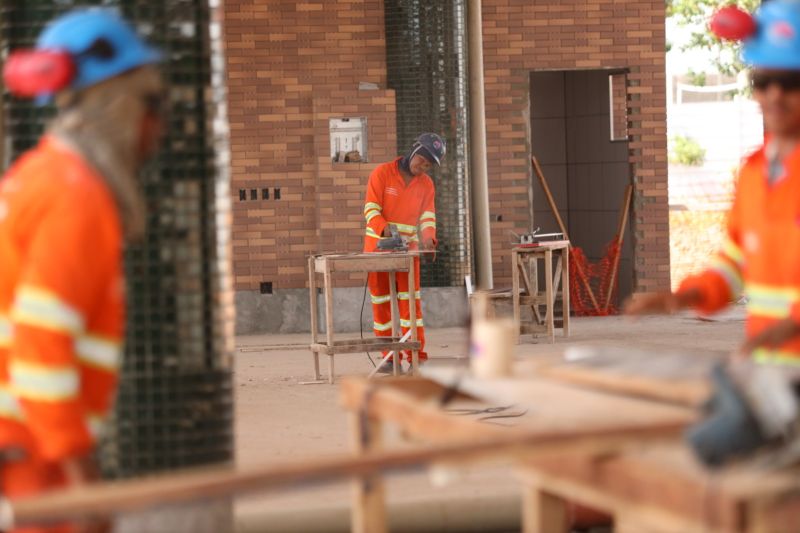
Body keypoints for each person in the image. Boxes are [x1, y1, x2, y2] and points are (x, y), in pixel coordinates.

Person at [0, 9, 162, 532]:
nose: (159, 124)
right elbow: (40, 352)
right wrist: (87, 488)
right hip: (28, 460)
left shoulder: (39, 176)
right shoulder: (77, 199)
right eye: (153, 103)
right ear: (114, 105)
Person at [626, 0, 800, 362]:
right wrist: (683, 297)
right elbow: (735, 261)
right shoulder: (754, 172)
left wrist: (789, 329)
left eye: (791, 83)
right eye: (764, 82)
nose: (775, 96)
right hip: (770, 375)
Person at [363, 133, 445, 373]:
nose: (423, 167)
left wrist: (429, 239)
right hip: (377, 249)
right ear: (414, 149)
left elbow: (428, 216)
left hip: (408, 253)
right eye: (422, 160)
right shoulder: (382, 173)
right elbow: (370, 210)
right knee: (382, 304)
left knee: (411, 306)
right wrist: (385, 229)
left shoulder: (426, 184)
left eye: (429, 165)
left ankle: (416, 356)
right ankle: (389, 357)